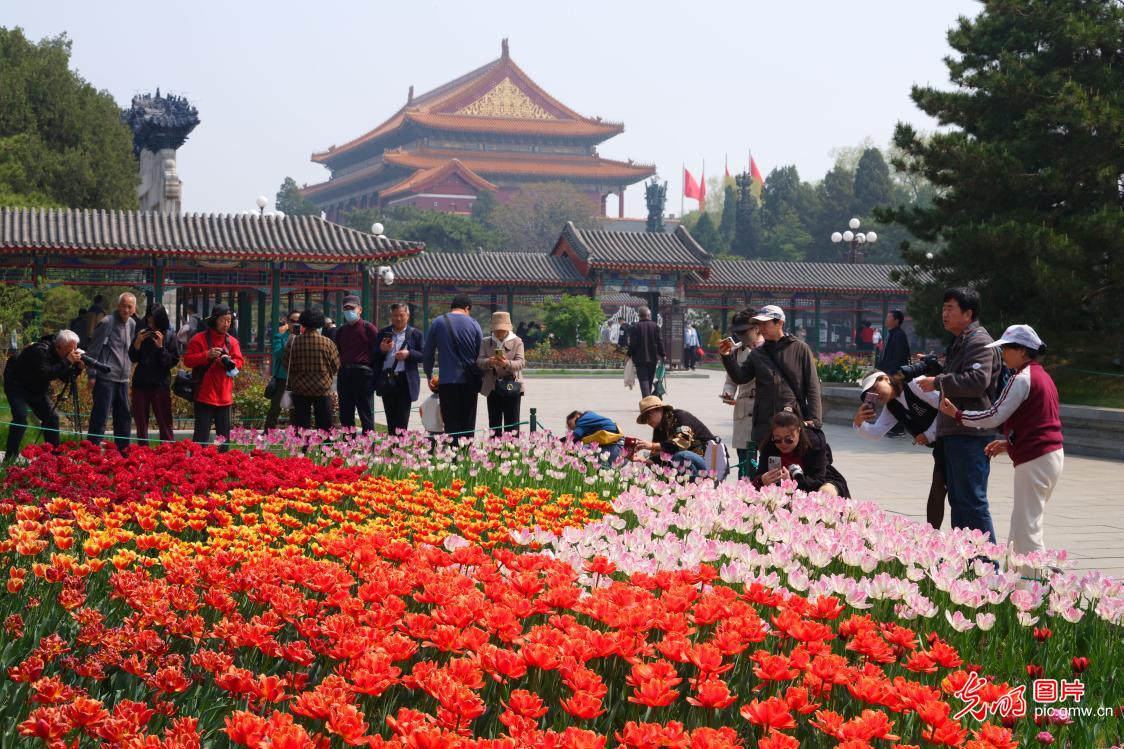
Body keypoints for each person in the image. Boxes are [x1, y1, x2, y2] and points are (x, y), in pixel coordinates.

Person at [939, 325, 1063, 574]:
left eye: (1006, 348)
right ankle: (1022, 580)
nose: (1003, 354)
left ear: (1022, 351)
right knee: (1023, 524)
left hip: (1035, 460)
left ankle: (1036, 582)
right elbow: (1039, 422)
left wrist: (958, 414)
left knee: (1026, 526)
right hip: (1048, 457)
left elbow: (994, 415)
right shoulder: (1042, 376)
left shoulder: (1022, 378)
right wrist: (1009, 444)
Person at [915, 287, 1003, 543]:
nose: (944, 314)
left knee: (972, 501)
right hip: (956, 431)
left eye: (950, 308)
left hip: (971, 433)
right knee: (959, 500)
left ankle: (988, 565)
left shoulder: (978, 341)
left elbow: (977, 380)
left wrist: (938, 381)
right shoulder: (962, 340)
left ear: (968, 313)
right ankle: (967, 562)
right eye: (943, 308)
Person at [718, 304, 822, 451]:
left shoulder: (800, 349)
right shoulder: (757, 354)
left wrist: (815, 421)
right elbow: (741, 378)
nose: (761, 327)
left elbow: (812, 387)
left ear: (779, 323)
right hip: (764, 425)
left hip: (791, 421)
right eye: (759, 324)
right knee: (767, 468)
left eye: (765, 323)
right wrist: (727, 356)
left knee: (791, 468)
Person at [854, 370, 946, 528]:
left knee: (947, 490)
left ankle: (937, 536)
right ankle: (932, 536)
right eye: (871, 395)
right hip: (941, 445)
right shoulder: (892, 406)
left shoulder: (915, 385)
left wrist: (928, 435)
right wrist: (858, 422)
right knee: (938, 489)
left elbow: (945, 405)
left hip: (954, 438)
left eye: (875, 389)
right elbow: (877, 432)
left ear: (885, 378)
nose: (876, 396)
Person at [3, 330, 83, 461]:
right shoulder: (40, 351)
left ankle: (54, 457)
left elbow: (63, 377)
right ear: (59, 347)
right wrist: (67, 361)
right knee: (20, 417)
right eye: (69, 350)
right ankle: (10, 456)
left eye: (74, 350)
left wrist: (77, 368)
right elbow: (46, 374)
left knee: (52, 418)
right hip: (16, 384)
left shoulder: (61, 355)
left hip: (36, 388)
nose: (72, 353)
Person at [422, 295, 483, 442]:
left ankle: (453, 455)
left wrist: (429, 375)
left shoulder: (437, 322)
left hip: (447, 381)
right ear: (467, 308)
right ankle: (466, 455)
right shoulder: (474, 324)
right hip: (469, 381)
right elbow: (480, 353)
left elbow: (428, 352)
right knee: (467, 422)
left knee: (450, 421)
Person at [184, 304, 244, 449]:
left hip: (224, 398)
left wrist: (229, 362)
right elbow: (187, 360)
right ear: (215, 320)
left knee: (223, 442)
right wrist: (206, 355)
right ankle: (197, 466)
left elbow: (240, 362)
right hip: (204, 396)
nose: (226, 324)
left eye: (229, 321)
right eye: (223, 320)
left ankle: (223, 467)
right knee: (200, 438)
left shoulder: (232, 342)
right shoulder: (199, 339)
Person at [755, 410, 850, 496]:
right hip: (785, 488)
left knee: (825, 493)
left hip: (819, 480)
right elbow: (757, 478)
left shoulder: (813, 442)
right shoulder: (769, 445)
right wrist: (762, 479)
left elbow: (817, 480)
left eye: (789, 440)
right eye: (778, 439)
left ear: (799, 432)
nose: (783, 444)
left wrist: (792, 482)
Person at [86, 293, 137, 450]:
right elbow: (93, 350)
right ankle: (91, 452)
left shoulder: (132, 324)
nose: (126, 310)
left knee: (124, 418)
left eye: (129, 307)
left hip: (123, 380)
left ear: (134, 309)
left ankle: (123, 454)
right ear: (118, 306)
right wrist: (92, 374)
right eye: (123, 305)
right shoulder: (108, 321)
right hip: (105, 378)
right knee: (100, 417)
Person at [634, 395, 725, 480]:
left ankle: (691, 488)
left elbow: (682, 443)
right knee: (672, 462)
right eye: (645, 419)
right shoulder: (659, 430)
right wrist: (642, 460)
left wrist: (652, 445)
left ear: (659, 409)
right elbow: (658, 463)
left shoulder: (680, 416)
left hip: (711, 462)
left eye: (648, 416)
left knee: (681, 456)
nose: (648, 421)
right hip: (692, 466)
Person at [129, 304, 179, 442]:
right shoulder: (142, 334)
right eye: (149, 321)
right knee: (141, 424)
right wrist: (138, 342)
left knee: (165, 422)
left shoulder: (169, 336)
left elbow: (171, 362)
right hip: (140, 384)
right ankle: (142, 453)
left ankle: (168, 452)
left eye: (154, 321)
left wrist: (161, 347)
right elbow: (133, 357)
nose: (151, 325)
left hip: (160, 386)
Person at [286, 306, 339, 431]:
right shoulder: (328, 343)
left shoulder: (294, 342)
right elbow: (336, 365)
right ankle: (325, 449)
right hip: (322, 389)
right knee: (325, 426)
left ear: (303, 322)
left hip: (300, 389)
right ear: (320, 323)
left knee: (302, 426)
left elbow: (286, 364)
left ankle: (303, 449)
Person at [721, 310, 763, 466]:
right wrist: (728, 392)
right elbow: (731, 380)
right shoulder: (736, 350)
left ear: (757, 328)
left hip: (765, 408)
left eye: (744, 331)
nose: (740, 336)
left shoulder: (770, 347)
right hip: (744, 411)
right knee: (744, 463)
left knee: (766, 462)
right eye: (737, 332)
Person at [334, 295, 381, 432]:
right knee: (345, 412)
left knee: (365, 410)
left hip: (363, 373)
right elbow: (338, 352)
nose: (349, 311)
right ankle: (348, 444)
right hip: (345, 373)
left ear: (359, 309)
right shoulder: (341, 331)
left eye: (352, 308)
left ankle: (369, 444)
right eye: (346, 308)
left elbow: (377, 353)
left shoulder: (369, 328)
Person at [377, 302, 424, 435]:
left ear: (407, 316)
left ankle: (401, 449)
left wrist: (409, 354)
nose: (398, 318)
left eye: (401, 315)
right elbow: (374, 355)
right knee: (390, 418)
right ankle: (392, 450)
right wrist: (381, 349)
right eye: (395, 315)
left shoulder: (416, 334)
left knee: (402, 419)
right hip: (388, 379)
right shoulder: (383, 333)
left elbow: (424, 355)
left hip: (405, 380)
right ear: (391, 317)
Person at [477, 311, 525, 436]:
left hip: (512, 386)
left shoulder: (517, 341)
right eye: (496, 330)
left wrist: (506, 364)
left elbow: (520, 363)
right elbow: (479, 361)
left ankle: (512, 451)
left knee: (512, 424)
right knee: (494, 424)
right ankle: (495, 451)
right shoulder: (486, 342)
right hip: (492, 387)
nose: (498, 333)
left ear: (507, 329)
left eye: (502, 330)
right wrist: (490, 361)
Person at [265, 310, 301, 430]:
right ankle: (267, 434)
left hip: (298, 378)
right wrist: (290, 340)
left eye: (299, 321)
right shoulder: (279, 337)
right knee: (275, 407)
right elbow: (278, 354)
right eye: (293, 321)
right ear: (287, 322)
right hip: (282, 378)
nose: (296, 324)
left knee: (296, 409)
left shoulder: (305, 338)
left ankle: (295, 437)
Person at [627, 306, 665, 397]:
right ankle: (648, 401)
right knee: (649, 380)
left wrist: (628, 354)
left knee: (643, 380)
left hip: (640, 359)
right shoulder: (655, 326)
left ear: (639, 316)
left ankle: (647, 401)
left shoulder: (635, 327)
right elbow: (660, 341)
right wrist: (663, 354)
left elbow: (633, 344)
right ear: (648, 315)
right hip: (653, 358)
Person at [878, 310, 911, 376]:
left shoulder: (899, 335)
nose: (886, 319)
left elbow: (898, 357)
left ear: (896, 321)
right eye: (887, 317)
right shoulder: (890, 334)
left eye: (889, 317)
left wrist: (890, 373)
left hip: (894, 374)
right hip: (887, 371)